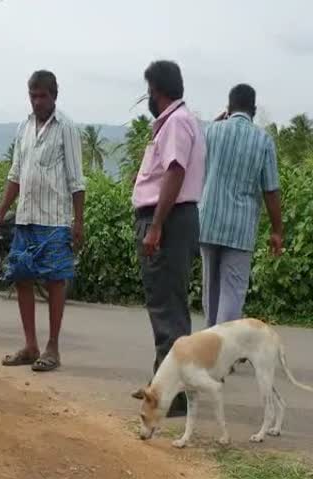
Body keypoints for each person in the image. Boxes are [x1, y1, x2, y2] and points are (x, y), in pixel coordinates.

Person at [0, 70, 85, 372]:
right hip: (26, 217)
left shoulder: (66, 127)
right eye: (33, 95)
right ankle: (30, 345)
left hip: (55, 219)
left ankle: (52, 346)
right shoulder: (24, 127)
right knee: (21, 277)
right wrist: (1, 212)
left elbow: (76, 180)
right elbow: (15, 174)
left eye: (43, 95)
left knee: (56, 280)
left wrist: (78, 221)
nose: (37, 101)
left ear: (54, 95)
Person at [131, 61, 206, 415]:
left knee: (166, 309)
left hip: (168, 220)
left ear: (157, 90)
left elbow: (174, 172)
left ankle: (173, 397)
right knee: (169, 306)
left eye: (148, 90)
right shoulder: (181, 121)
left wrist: (157, 225)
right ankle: (164, 385)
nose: (147, 96)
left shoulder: (175, 122)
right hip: (175, 219)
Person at [200, 84, 283, 327]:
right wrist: (277, 230)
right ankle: (226, 351)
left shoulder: (212, 131)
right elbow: (271, 189)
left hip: (208, 222)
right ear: (254, 110)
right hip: (240, 228)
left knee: (211, 290)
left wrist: (218, 119)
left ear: (228, 107)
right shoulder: (263, 140)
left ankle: (210, 348)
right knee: (232, 291)